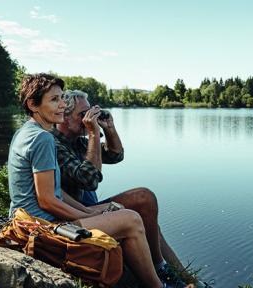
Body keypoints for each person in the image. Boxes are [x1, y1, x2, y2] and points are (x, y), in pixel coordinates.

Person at [7, 73, 186, 288]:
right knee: (130, 220)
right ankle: (158, 285)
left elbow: (56, 192)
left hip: (33, 221)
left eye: (62, 98)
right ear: (33, 105)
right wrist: (87, 213)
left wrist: (92, 211)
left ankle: (164, 273)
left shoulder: (27, 132)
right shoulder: (43, 138)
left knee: (135, 212)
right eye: (54, 100)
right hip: (43, 226)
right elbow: (47, 200)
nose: (62, 105)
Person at [53, 89, 188, 284]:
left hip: (85, 209)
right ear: (64, 116)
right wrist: (92, 134)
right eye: (83, 114)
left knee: (147, 213)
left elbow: (116, 155)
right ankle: (164, 273)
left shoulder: (77, 143)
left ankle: (176, 274)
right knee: (142, 204)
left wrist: (109, 128)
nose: (88, 118)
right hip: (73, 215)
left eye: (91, 112)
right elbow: (89, 181)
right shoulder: (55, 145)